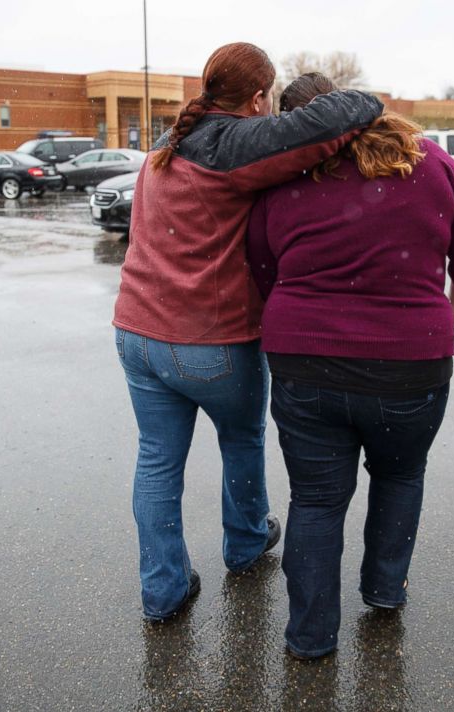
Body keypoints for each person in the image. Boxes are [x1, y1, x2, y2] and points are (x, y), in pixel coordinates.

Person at [113, 46, 383, 622]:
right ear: (258, 99)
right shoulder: (234, 144)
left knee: (157, 461)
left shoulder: (167, 145)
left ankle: (162, 592)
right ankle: (245, 542)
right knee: (240, 441)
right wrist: (353, 99)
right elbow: (346, 115)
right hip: (208, 342)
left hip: (136, 333)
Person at [247, 73, 454, 658]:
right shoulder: (431, 163)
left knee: (314, 501)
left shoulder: (285, 177)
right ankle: (384, 590)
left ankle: (309, 637)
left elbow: (263, 272)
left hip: (305, 364)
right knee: (400, 475)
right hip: (412, 369)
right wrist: (430, 328)